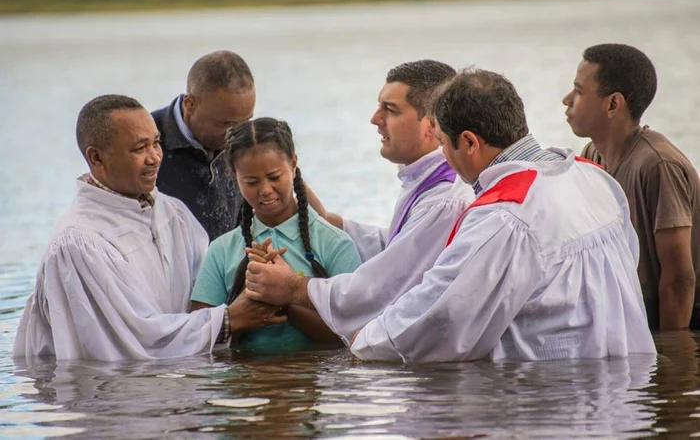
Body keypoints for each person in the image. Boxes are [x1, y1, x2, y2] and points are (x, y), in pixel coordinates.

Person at [245, 69, 657, 363]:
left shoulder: (506, 216)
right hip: (624, 384)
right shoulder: (592, 177)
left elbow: (443, 316)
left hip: (557, 401)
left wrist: (365, 341)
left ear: (470, 142)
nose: (442, 154)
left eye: (443, 143)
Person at [13, 95, 251, 362]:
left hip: (175, 392)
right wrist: (229, 320)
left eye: (157, 143)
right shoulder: (78, 244)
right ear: (97, 158)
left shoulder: (174, 213)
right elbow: (126, 347)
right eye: (140, 149)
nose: (155, 158)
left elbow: (207, 293)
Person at [297, 60, 475, 343]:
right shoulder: (427, 179)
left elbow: (386, 284)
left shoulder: (444, 199)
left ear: (432, 124)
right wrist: (334, 225)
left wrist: (295, 289)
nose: (375, 118)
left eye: (390, 110)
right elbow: (401, 246)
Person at [189, 117, 362, 353]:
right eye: (251, 181)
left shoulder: (335, 243)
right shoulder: (221, 250)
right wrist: (243, 307)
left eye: (274, 177)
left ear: (293, 164)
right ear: (233, 175)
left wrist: (284, 298)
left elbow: (355, 331)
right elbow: (195, 332)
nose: (265, 190)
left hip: (313, 383)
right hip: (247, 384)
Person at [564, 43, 700, 331]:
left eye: (578, 91)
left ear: (613, 104)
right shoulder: (593, 155)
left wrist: (674, 362)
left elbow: (679, 280)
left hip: (682, 324)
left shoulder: (658, 166)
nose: (566, 100)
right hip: (634, 322)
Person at [152, 50, 256, 241]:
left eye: (246, 121)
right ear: (190, 104)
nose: (238, 136)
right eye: (226, 124)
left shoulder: (248, 137)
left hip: (230, 265)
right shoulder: (144, 145)